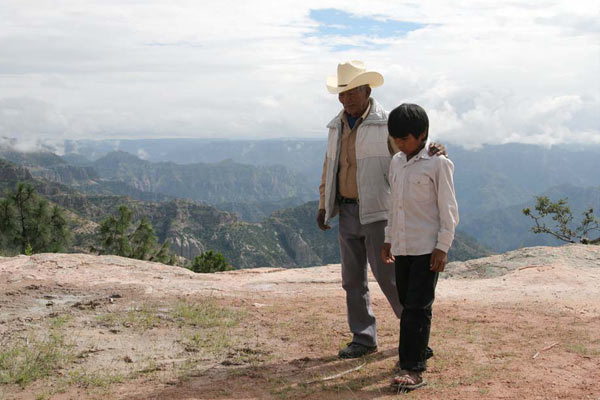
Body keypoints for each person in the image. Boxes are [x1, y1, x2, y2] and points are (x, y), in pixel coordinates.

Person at [317, 60, 443, 359]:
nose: (346, 98)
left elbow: (410, 150)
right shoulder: (336, 126)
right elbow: (329, 167)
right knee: (352, 280)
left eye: (352, 92)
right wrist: (324, 202)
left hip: (378, 213)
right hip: (346, 210)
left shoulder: (385, 123)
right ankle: (363, 338)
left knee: (390, 278)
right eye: (342, 93)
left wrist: (434, 150)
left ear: (367, 90)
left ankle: (414, 337)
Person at [382, 103, 459, 390]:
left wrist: (443, 246)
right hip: (403, 246)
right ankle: (418, 347)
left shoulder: (438, 163)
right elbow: (394, 205)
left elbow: (448, 208)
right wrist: (389, 237)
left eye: (405, 138)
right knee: (406, 302)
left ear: (422, 134)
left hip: (427, 247)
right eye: (396, 139)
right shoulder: (397, 162)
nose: (400, 144)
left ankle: (412, 367)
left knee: (418, 305)